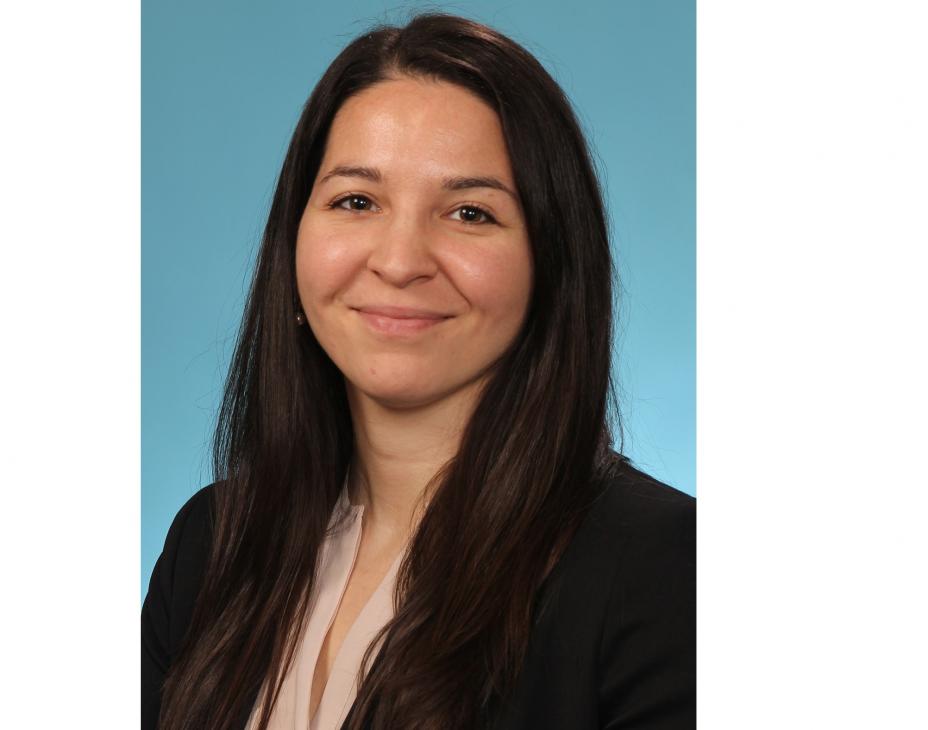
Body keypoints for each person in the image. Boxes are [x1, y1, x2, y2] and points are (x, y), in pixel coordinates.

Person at [142, 12, 695, 730]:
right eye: (357, 201)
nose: (400, 261)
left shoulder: (661, 568)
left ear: (552, 264)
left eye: (469, 212)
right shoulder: (212, 543)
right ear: (293, 241)